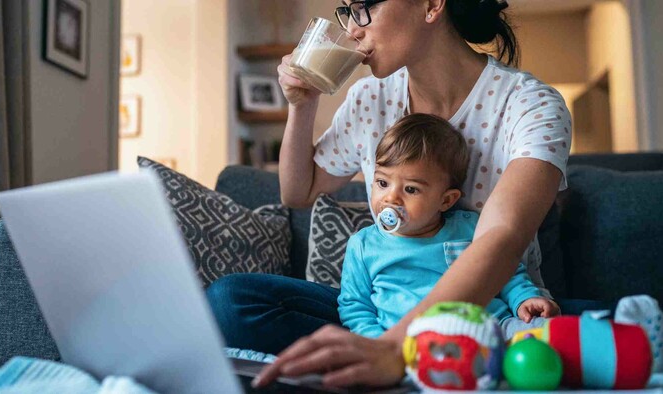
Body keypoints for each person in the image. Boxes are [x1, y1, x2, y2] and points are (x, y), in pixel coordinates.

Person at [206, 0, 609, 388]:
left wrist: (395, 347)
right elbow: (298, 192)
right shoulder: (369, 99)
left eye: (365, 7)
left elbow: (501, 237)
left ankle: (425, 357)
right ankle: (408, 359)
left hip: (492, 310)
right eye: (346, 11)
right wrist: (302, 105)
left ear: (432, 5)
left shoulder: (530, 105)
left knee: (610, 330)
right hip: (387, 310)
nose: (352, 28)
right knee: (230, 300)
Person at [338, 113, 560, 341]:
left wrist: (525, 298)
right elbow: (355, 307)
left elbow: (505, 272)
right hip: (409, 344)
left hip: (491, 329)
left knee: (547, 335)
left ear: (446, 200)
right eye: (383, 183)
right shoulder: (363, 246)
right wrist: (378, 344)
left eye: (411, 189)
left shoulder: (471, 227)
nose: (391, 198)